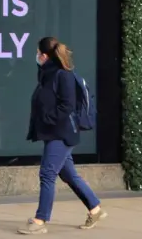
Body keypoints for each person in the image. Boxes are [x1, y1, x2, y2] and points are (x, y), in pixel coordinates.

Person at [17, 37, 107, 235]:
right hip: (53, 131)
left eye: (38, 53)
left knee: (47, 174)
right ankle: (95, 208)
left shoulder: (62, 75)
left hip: (62, 132)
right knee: (68, 174)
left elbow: (67, 105)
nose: (37, 56)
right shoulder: (47, 74)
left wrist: (48, 118)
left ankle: (40, 221)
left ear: (44, 55)